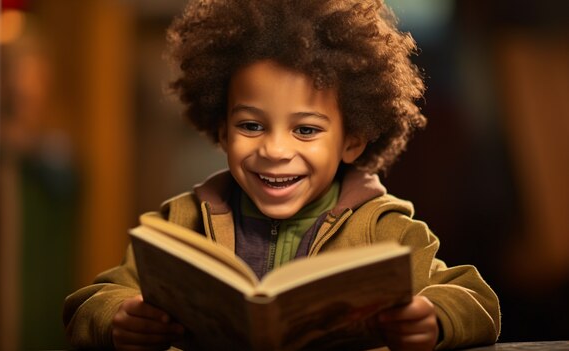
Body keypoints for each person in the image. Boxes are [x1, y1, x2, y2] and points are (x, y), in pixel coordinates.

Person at [63, 0, 501, 350]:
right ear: (221, 128)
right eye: (251, 125)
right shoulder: (181, 223)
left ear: (353, 140)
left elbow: (476, 300)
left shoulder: (386, 231)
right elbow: (91, 302)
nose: (274, 150)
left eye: (306, 130)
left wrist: (433, 318)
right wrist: (119, 319)